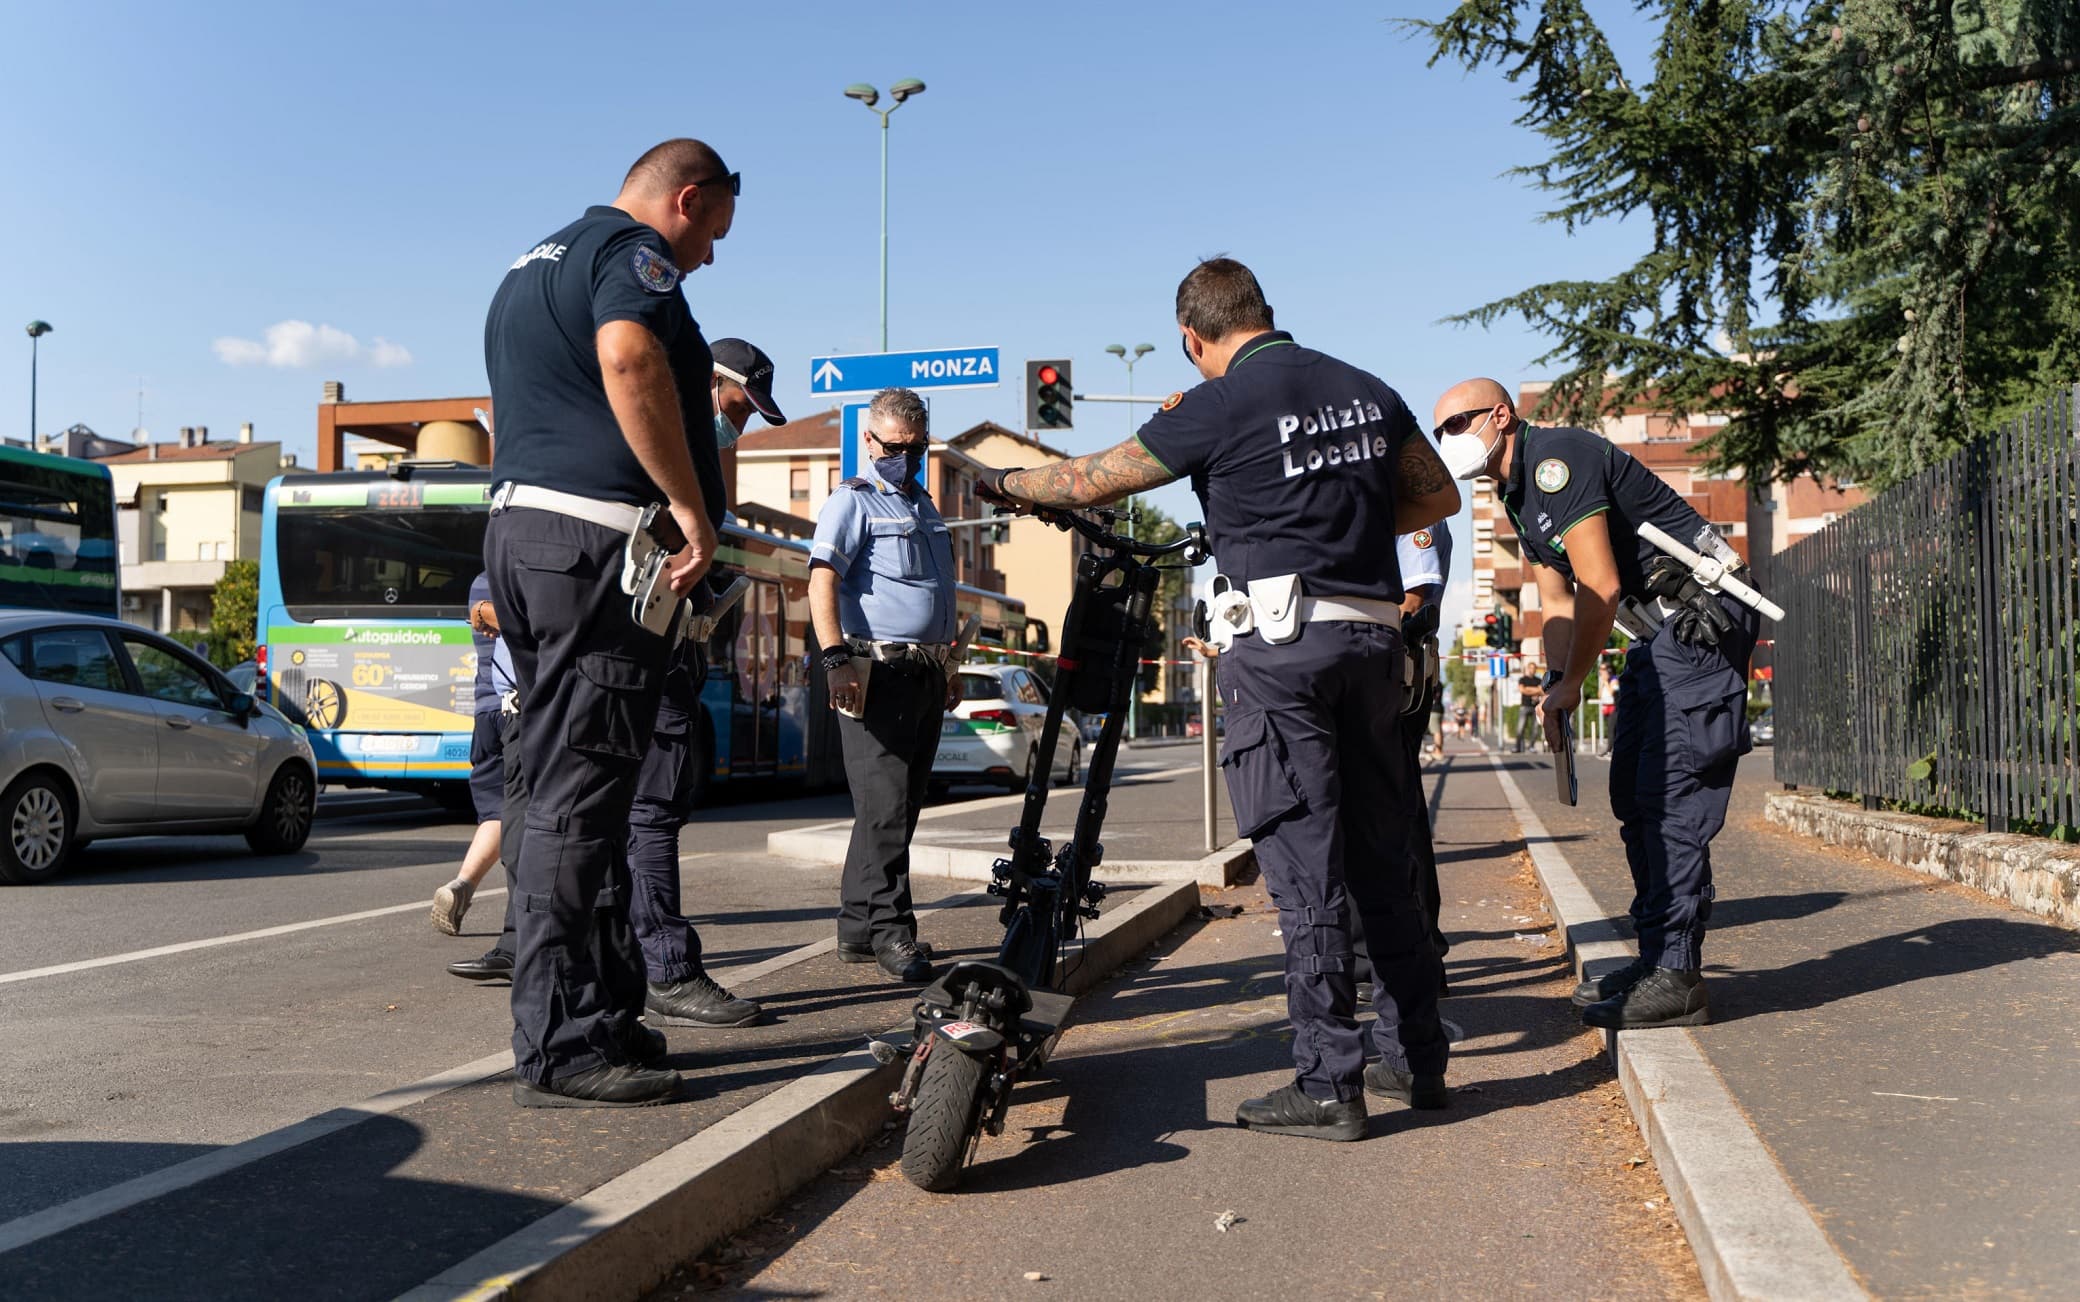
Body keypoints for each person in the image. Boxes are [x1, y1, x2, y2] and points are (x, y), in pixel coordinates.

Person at [978, 257, 1461, 1142]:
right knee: (1382, 860)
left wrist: (1006, 483)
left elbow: (1091, 479)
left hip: (1281, 654)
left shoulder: (1216, 404)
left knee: (1305, 868)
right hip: (1371, 640)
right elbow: (1437, 496)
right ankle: (1415, 1060)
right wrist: (1342, 523)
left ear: (1194, 338)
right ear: (1267, 313)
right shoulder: (1368, 388)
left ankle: (1328, 1086)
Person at [481, 137, 737, 1107]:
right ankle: (562, 1043)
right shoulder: (634, 261)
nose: (706, 258)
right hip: (592, 549)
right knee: (579, 797)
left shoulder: (530, 263)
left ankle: (603, 1012)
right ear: (683, 199)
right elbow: (628, 356)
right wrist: (691, 508)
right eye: (710, 232)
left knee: (574, 788)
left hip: (528, 538)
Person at [1431, 376, 1761, 1029]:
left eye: (1460, 423)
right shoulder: (1518, 499)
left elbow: (1599, 585)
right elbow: (1556, 602)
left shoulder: (1559, 461)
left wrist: (1573, 681)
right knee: (1635, 800)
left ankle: (1678, 974)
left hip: (1699, 619)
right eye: (1441, 430)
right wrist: (1557, 682)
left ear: (1501, 415)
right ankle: (1657, 961)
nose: (1450, 440)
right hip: (1657, 634)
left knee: (1671, 797)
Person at [631, 339, 785, 1029]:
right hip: (650, 647)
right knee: (653, 813)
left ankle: (616, 971)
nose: (740, 424)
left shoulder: (658, 431)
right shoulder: (665, 442)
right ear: (710, 382)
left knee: (615, 815)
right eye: (737, 406)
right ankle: (667, 970)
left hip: (647, 647)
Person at [808, 387, 959, 985]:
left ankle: (855, 927)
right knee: (886, 810)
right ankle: (893, 934)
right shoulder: (853, 502)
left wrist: (946, 666)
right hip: (874, 671)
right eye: (896, 447)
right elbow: (820, 580)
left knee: (894, 807)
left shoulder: (925, 505)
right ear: (869, 441)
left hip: (923, 671)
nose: (907, 457)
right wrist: (834, 659)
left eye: (917, 447)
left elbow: (936, 598)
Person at [431, 575, 518, 936]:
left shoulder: (480, 583)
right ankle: (524, 922)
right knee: (526, 812)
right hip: (519, 709)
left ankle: (462, 884)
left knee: (497, 812)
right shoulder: (524, 580)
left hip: (485, 712)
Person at [1514, 665, 1545, 752]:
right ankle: (1517, 747)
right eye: (1530, 668)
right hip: (1525, 706)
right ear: (1528, 669)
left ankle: (1531, 746)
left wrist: (1528, 689)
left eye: (1534, 668)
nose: (1532, 670)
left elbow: (1542, 691)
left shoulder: (1539, 680)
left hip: (1535, 706)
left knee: (1535, 728)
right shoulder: (1522, 679)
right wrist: (1536, 690)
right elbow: (1522, 690)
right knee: (1520, 727)